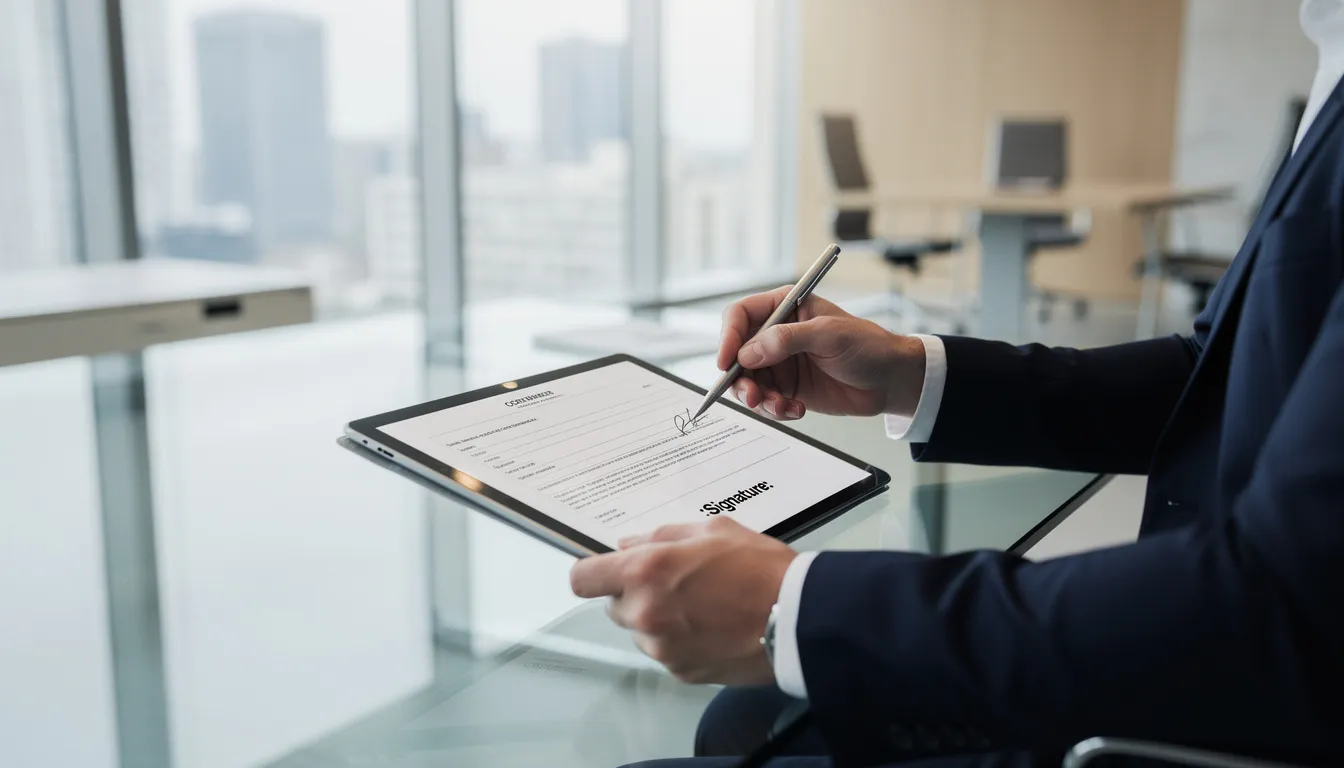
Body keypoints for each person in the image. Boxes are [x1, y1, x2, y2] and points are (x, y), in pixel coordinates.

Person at [570, 2, 1344, 765]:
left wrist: (800, 610)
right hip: (1198, 643)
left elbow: (1291, 606)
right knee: (743, 716)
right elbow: (1215, 373)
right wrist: (910, 372)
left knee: (732, 727)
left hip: (1219, 701)